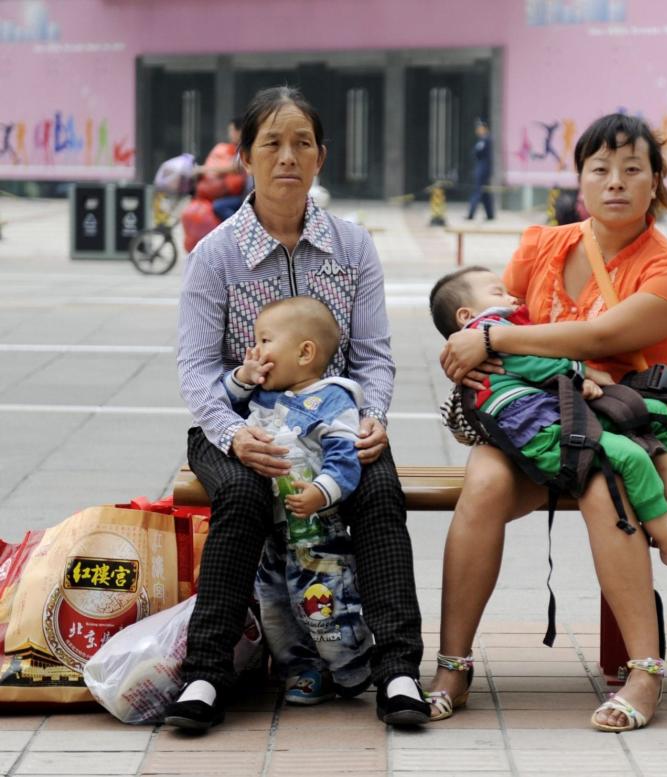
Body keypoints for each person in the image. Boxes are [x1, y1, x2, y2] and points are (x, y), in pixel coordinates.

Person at [170, 86, 429, 730]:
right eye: (272, 144)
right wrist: (233, 436)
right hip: (240, 422)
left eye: (302, 143)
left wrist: (374, 418)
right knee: (242, 499)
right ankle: (205, 673)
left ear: (321, 158)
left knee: (378, 493)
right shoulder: (216, 255)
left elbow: (373, 356)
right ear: (245, 158)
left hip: (333, 423)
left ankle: (397, 669)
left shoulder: (353, 246)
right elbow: (197, 369)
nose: (288, 157)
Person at [434, 113, 667, 732]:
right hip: (536, 417)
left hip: (623, 420)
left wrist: (496, 337)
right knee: (484, 483)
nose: (615, 182)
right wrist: (478, 354)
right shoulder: (541, 246)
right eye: (600, 169)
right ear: (580, 179)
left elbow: (603, 333)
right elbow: (500, 322)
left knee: (606, 479)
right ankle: (453, 663)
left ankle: (645, 671)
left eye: (633, 169)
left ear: (656, 180)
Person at [429, 266, 667, 580]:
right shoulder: (484, 330)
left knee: (655, 413)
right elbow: (532, 362)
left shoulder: (498, 331)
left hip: (559, 411)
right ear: (465, 314)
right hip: (540, 431)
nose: (510, 297)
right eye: (498, 293)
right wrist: (577, 374)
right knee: (630, 456)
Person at [224, 297, 373, 706]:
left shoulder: (333, 400)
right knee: (275, 605)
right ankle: (301, 669)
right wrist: (242, 375)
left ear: (305, 352)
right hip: (274, 530)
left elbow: (345, 457)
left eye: (265, 340)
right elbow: (223, 405)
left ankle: (351, 666)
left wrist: (320, 492)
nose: (255, 351)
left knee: (323, 600)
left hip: (317, 530)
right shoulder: (263, 396)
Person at [198, 117, 248, 222]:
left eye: (231, 131)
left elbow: (236, 167)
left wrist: (205, 170)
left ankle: (238, 227)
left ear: (239, 131)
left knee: (219, 206)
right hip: (242, 194)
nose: (230, 134)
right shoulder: (235, 149)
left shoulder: (246, 148)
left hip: (247, 197)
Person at [466, 118, 495, 221]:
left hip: (483, 170)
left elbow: (477, 153)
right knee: (485, 193)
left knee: (477, 191)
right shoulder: (483, 139)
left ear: (485, 129)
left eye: (480, 128)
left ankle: (471, 213)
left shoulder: (485, 139)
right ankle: (490, 214)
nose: (478, 130)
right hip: (482, 169)